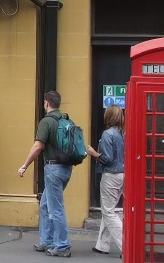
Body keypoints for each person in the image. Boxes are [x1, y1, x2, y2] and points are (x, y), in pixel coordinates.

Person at [18, 90, 73, 258]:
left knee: (56, 208)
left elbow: (38, 147)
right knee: (45, 204)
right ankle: (47, 241)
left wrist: (25, 165)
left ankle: (62, 245)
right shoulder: (67, 120)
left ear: (46, 103)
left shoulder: (46, 121)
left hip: (53, 169)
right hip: (66, 168)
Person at [86, 105, 125, 255]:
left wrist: (93, 153)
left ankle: (126, 246)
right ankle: (102, 245)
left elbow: (107, 158)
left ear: (108, 116)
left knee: (108, 212)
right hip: (122, 174)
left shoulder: (108, 134)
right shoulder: (123, 133)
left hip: (110, 175)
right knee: (108, 210)